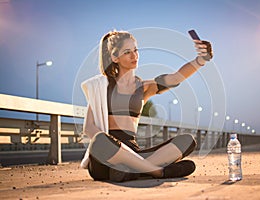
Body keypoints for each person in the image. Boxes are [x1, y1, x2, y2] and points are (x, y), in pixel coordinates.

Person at [80, 30, 213, 182]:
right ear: (114, 57)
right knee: (99, 141)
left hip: (135, 153)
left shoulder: (144, 87)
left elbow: (176, 77)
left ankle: (132, 171)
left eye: (136, 50)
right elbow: (89, 128)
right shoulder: (101, 86)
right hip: (107, 158)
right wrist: (114, 147)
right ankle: (156, 171)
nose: (134, 56)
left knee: (187, 141)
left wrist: (201, 60)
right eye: (127, 52)